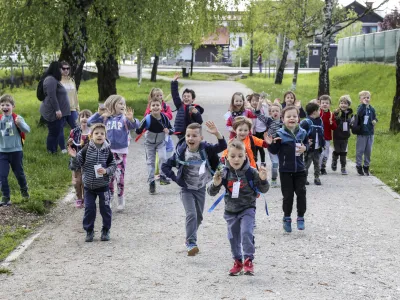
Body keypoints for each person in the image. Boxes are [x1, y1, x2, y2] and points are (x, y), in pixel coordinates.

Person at [162, 122, 227, 256]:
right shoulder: (181, 152)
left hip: (200, 187)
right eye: (188, 136)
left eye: (194, 136)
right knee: (191, 214)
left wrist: (217, 133)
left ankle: (188, 237)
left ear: (201, 138)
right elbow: (165, 166)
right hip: (186, 188)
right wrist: (176, 179)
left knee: (199, 217)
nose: (191, 138)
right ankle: (191, 242)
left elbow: (222, 146)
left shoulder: (205, 149)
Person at [208, 139, 269, 276]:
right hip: (230, 211)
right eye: (233, 156)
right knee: (233, 237)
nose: (237, 159)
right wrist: (216, 183)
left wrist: (263, 179)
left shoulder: (251, 172)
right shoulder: (223, 172)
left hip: (248, 208)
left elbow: (263, 190)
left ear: (245, 156)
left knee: (246, 232)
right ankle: (237, 261)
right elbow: (211, 192)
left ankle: (248, 260)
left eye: (240, 156)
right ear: (227, 157)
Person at [88, 95, 139, 211]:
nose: (123, 106)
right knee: (108, 177)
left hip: (121, 153)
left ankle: (121, 198)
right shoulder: (105, 118)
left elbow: (137, 125)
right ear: (112, 104)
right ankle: (109, 198)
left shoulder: (125, 119)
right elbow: (91, 122)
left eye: (124, 104)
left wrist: (132, 119)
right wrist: (99, 113)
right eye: (120, 103)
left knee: (119, 177)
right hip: (107, 153)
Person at [68, 123, 116, 242]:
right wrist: (74, 157)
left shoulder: (107, 150)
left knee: (105, 209)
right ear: (91, 136)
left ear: (105, 136)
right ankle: (89, 231)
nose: (99, 135)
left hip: (103, 186)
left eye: (102, 133)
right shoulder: (85, 150)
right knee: (89, 209)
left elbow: (113, 165)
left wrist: (106, 171)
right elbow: (75, 165)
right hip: (89, 187)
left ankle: (105, 230)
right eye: (96, 133)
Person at [267, 106, 308, 233]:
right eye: (288, 116)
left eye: (294, 116)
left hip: (300, 170)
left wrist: (305, 148)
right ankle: (287, 218)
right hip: (285, 171)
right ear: (282, 119)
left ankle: (300, 217)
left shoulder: (303, 132)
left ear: (298, 118)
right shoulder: (279, 134)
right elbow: (274, 151)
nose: (292, 118)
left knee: (301, 193)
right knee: (288, 196)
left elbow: (307, 145)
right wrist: (271, 143)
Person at [136, 96, 174, 193]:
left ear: (161, 107)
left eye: (157, 105)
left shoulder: (165, 118)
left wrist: (168, 131)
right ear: (150, 108)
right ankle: (151, 182)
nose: (155, 107)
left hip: (161, 142)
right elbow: (138, 130)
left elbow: (172, 129)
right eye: (153, 105)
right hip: (149, 143)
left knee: (163, 157)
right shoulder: (147, 118)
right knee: (150, 162)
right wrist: (135, 124)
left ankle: (162, 176)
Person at [0, 94, 31, 206]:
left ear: (13, 106)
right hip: (2, 152)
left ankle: (24, 190)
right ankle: (5, 197)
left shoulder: (17, 118)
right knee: (2, 175)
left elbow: (27, 130)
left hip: (16, 151)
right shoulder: (0, 119)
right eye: (2, 104)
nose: (4, 107)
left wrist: (20, 123)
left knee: (19, 173)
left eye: (7, 104)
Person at [39, 61, 70, 154]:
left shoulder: (54, 79)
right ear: (57, 69)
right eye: (61, 68)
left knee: (56, 132)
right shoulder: (50, 80)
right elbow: (51, 96)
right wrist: (57, 110)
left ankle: (54, 150)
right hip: (52, 112)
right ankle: (51, 151)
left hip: (57, 111)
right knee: (53, 132)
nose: (63, 70)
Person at [67, 109, 92, 208]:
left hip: (89, 160)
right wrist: (69, 143)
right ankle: (79, 198)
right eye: (82, 116)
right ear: (79, 119)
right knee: (77, 181)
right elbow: (69, 145)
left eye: (87, 116)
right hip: (76, 159)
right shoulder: (74, 131)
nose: (85, 118)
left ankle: (86, 198)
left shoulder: (93, 132)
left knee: (86, 181)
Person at [254, 101, 283, 187]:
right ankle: (274, 179)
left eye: (277, 111)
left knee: (283, 163)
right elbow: (258, 113)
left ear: (281, 112)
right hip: (272, 144)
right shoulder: (269, 120)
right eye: (273, 111)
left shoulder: (284, 121)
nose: (275, 112)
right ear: (270, 113)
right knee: (275, 163)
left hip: (282, 145)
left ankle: (285, 179)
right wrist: (259, 103)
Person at [171, 73, 204, 140]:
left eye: (188, 96)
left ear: (193, 99)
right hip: (180, 132)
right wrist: (174, 82)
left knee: (188, 147)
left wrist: (196, 113)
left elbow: (199, 121)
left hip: (190, 133)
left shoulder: (195, 107)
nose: (186, 98)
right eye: (184, 96)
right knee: (181, 147)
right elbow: (175, 95)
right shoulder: (180, 105)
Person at [300, 102, 325, 186]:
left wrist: (323, 144)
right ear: (314, 112)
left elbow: (322, 133)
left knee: (317, 164)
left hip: (317, 148)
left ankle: (317, 177)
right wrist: (305, 142)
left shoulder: (319, 121)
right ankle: (303, 178)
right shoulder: (306, 122)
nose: (320, 112)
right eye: (319, 110)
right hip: (309, 148)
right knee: (306, 164)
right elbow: (300, 134)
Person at [355, 91, 377, 176]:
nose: (366, 99)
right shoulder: (360, 107)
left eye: (368, 97)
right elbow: (359, 114)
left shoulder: (372, 109)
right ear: (360, 100)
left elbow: (374, 117)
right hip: (362, 133)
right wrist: (364, 105)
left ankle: (366, 166)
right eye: (364, 98)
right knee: (360, 150)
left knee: (368, 151)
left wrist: (375, 121)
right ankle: (359, 165)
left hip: (370, 133)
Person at [332, 95, 353, 175]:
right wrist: (336, 114)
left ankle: (343, 167)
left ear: (348, 105)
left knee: (343, 152)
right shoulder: (336, 113)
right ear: (339, 104)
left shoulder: (350, 114)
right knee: (337, 151)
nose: (343, 105)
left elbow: (351, 124)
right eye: (341, 103)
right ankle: (334, 160)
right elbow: (334, 122)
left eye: (345, 103)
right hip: (337, 136)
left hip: (345, 137)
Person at [319, 95, 337, 175]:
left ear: (329, 105)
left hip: (327, 137)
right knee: (320, 153)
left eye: (327, 103)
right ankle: (318, 167)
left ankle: (323, 167)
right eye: (323, 103)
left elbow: (334, 127)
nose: (325, 104)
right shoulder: (318, 113)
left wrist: (332, 123)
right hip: (319, 137)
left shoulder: (331, 114)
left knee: (326, 153)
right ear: (320, 104)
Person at [248, 93, 268, 165]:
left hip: (262, 131)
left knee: (261, 147)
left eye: (256, 100)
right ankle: (254, 161)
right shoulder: (249, 110)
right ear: (250, 101)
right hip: (254, 132)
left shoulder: (262, 109)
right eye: (253, 100)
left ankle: (263, 161)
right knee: (254, 147)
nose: (254, 102)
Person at [60, 61, 79, 129]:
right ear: (60, 69)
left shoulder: (72, 80)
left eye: (68, 68)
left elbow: (75, 95)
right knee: (59, 131)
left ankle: (75, 140)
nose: (66, 70)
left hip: (72, 109)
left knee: (77, 128)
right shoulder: (57, 81)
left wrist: (77, 108)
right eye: (64, 68)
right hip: (62, 110)